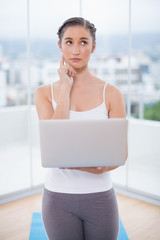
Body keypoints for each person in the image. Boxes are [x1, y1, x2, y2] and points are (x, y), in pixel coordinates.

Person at [35, 17, 127, 240]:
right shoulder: (44, 93)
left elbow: (120, 155)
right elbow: (54, 146)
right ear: (60, 46)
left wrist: (99, 168)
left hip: (100, 197)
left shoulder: (111, 93)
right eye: (69, 42)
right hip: (57, 198)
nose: (76, 50)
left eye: (84, 42)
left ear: (93, 47)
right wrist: (65, 88)